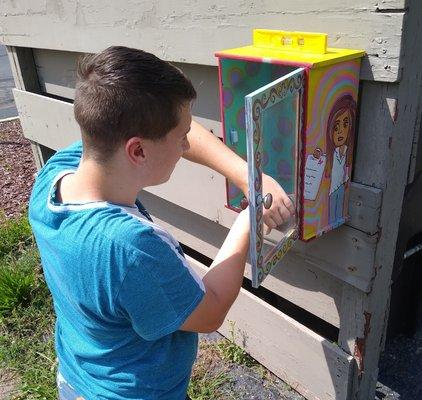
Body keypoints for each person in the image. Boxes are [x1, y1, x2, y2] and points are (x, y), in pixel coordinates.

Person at [29, 46, 294, 400]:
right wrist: (249, 217)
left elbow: (174, 126)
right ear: (137, 151)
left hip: (78, 377)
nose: (187, 145)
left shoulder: (54, 176)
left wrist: (246, 174)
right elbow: (210, 309)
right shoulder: (131, 248)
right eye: (181, 136)